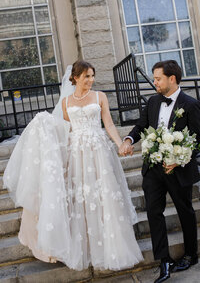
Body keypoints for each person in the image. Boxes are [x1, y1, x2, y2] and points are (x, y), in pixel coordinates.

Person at [3, 60, 143, 271]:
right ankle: (88, 246)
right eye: (87, 76)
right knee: (83, 198)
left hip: (99, 151)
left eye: (92, 76)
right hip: (77, 153)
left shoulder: (100, 97)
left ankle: (112, 246)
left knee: (105, 195)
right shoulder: (66, 102)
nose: (91, 80)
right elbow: (67, 131)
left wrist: (120, 143)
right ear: (75, 77)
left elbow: (109, 123)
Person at [119, 60, 200, 283]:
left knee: (185, 211)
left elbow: (198, 139)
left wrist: (179, 158)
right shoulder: (153, 101)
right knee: (154, 213)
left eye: (158, 78)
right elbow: (141, 126)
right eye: (154, 78)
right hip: (153, 169)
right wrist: (128, 139)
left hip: (178, 170)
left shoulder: (190, 104)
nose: (154, 82)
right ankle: (163, 260)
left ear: (171, 79)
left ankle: (191, 255)